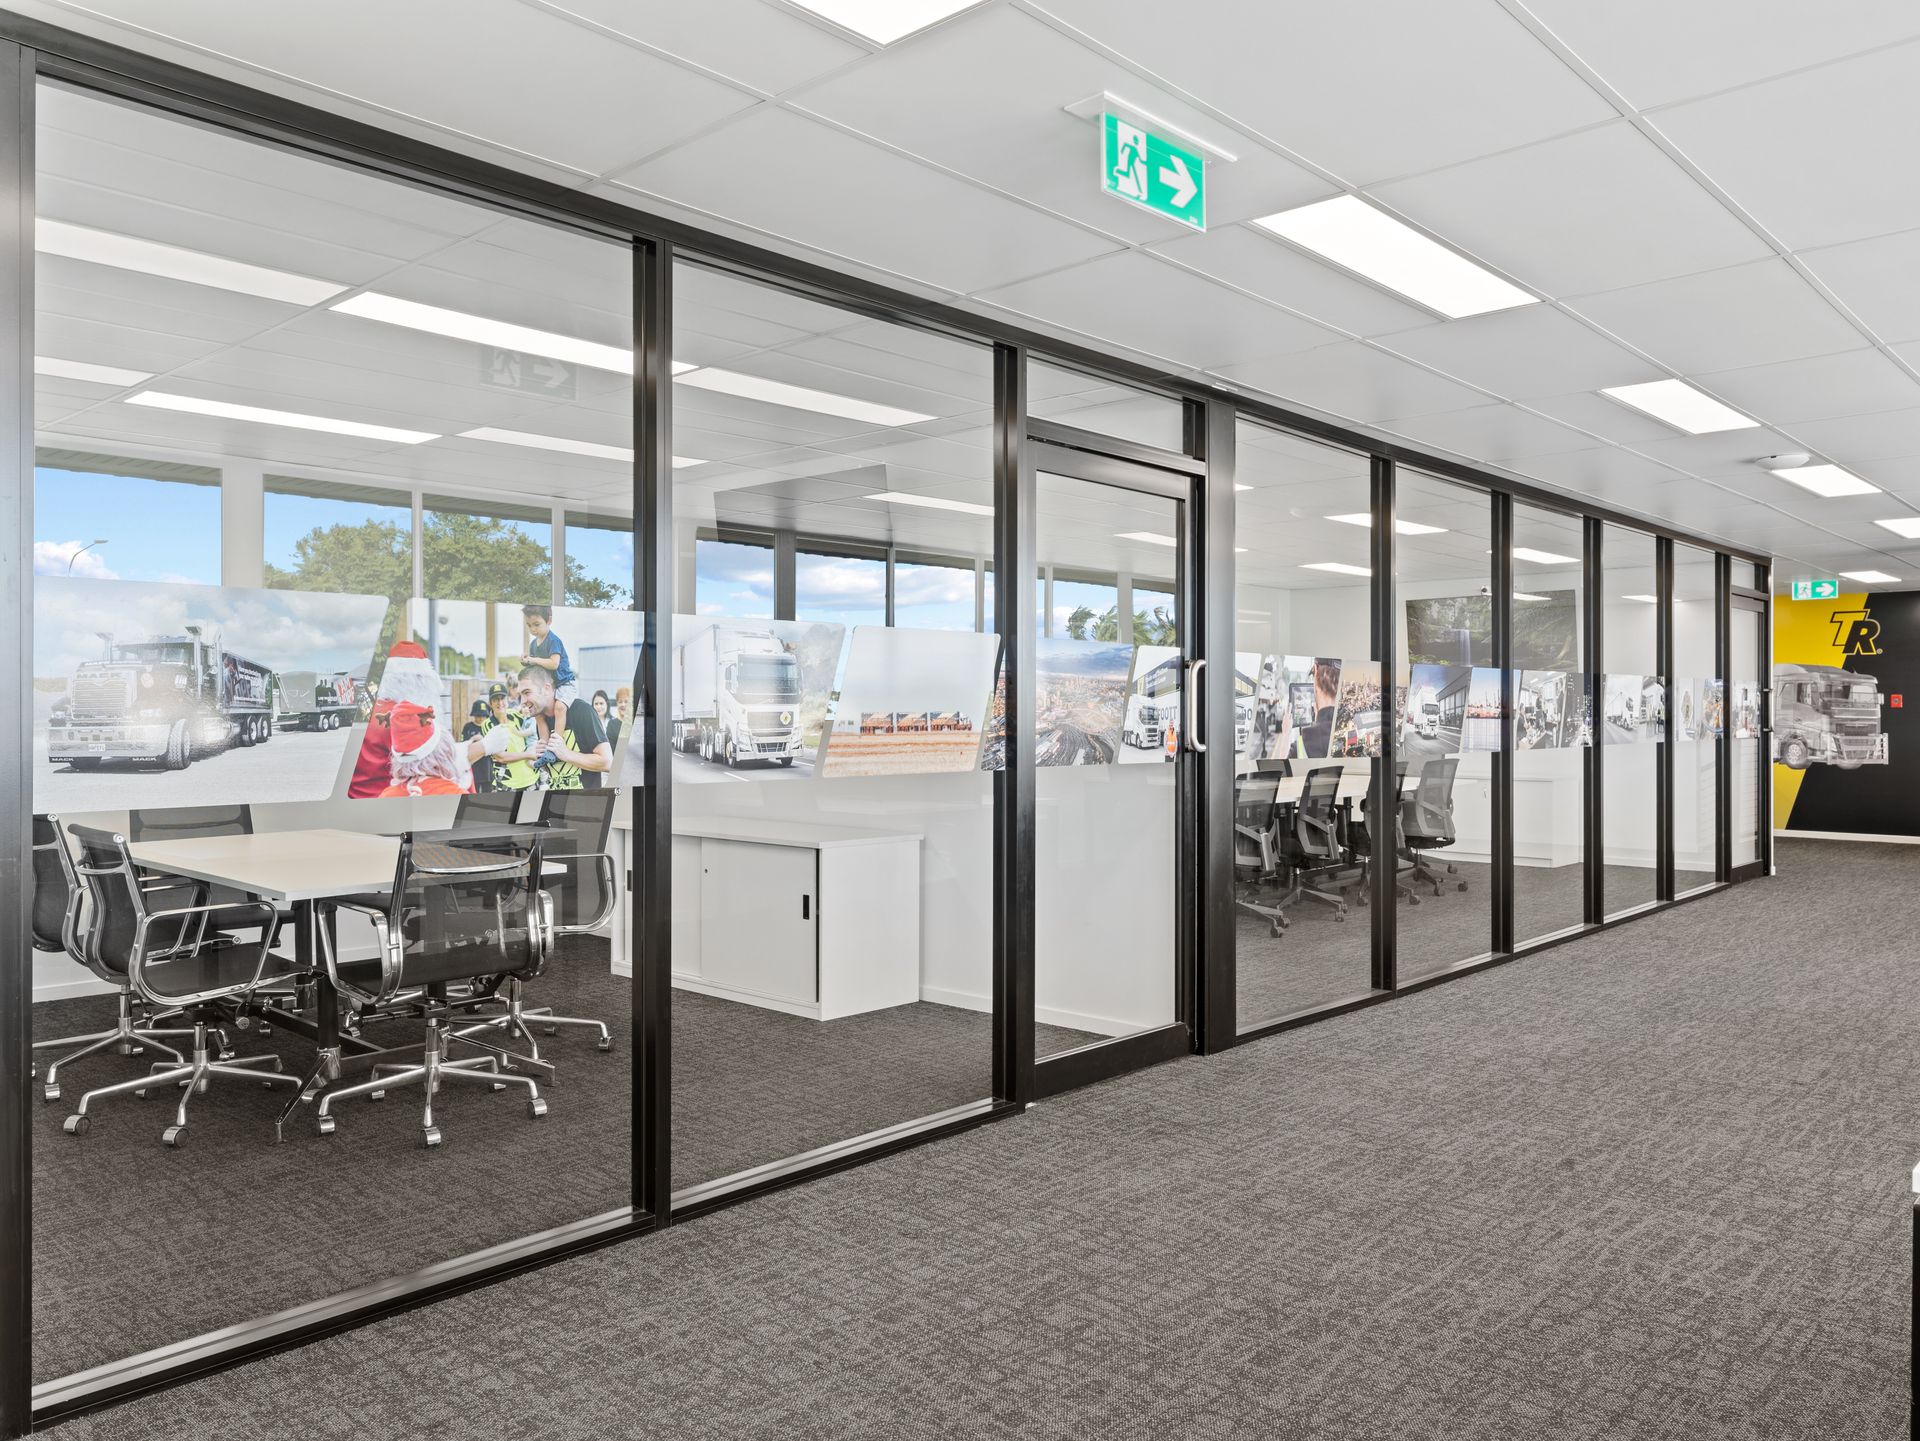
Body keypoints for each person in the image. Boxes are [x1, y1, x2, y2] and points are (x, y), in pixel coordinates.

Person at [515, 664, 609, 790]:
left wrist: (566, 754)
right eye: (520, 694)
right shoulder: (542, 721)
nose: (522, 701)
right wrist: (540, 758)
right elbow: (552, 771)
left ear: (547, 689)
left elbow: (607, 762)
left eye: (527, 692)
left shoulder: (581, 711)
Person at [479, 680, 538, 794]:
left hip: (531, 779)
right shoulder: (488, 725)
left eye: (502, 698)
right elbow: (501, 757)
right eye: (495, 699)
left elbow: (531, 724)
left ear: (507, 699)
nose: (500, 702)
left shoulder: (515, 715)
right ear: (490, 703)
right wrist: (528, 754)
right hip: (508, 784)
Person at [519, 604, 576, 707]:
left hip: (564, 684)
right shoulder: (533, 645)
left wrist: (534, 659)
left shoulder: (553, 640)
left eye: (536, 624)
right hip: (550, 686)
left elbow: (554, 664)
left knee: (560, 708)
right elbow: (534, 666)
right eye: (529, 625)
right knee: (538, 709)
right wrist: (526, 661)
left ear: (549, 621)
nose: (533, 629)